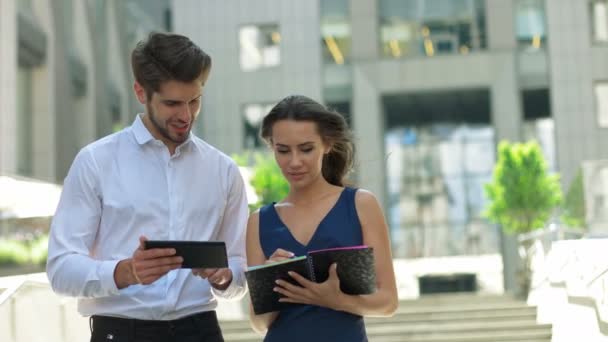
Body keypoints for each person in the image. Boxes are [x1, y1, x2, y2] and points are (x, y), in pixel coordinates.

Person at [46, 32, 248, 342]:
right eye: (172, 103)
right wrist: (126, 272)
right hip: (121, 331)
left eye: (194, 101)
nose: (186, 115)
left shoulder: (223, 170)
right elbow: (61, 270)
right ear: (141, 92)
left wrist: (224, 277)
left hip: (201, 330)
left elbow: (238, 267)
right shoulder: (95, 162)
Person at [246, 95, 398, 341]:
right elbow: (258, 322)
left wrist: (336, 300)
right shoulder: (259, 221)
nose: (294, 162)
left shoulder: (361, 204)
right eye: (283, 150)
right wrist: (270, 281)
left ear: (327, 144)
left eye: (306, 149)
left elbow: (388, 301)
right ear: (271, 146)